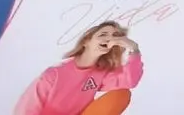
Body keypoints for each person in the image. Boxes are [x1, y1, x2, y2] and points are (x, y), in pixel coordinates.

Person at [14, 22, 142, 115]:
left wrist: (133, 49)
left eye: (115, 36)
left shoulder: (100, 73)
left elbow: (129, 81)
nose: (110, 38)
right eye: (103, 34)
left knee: (121, 94)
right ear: (86, 41)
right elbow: (26, 109)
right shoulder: (55, 73)